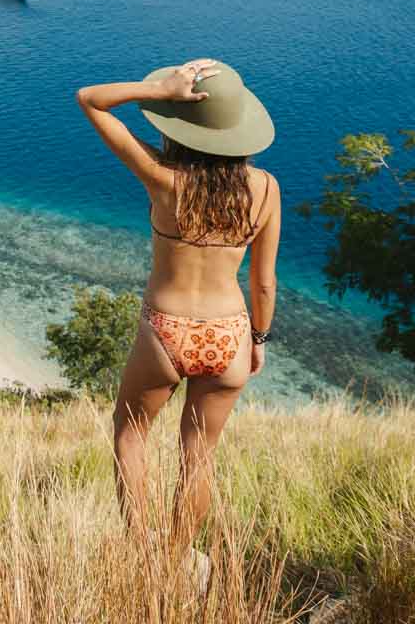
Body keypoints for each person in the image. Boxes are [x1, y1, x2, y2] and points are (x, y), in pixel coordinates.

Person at [75, 58, 279, 580]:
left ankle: (140, 549)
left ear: (181, 131)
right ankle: (175, 561)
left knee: (130, 434)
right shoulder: (266, 189)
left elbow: (90, 99)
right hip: (228, 333)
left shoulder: (165, 180)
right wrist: (258, 339)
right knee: (199, 456)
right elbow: (263, 282)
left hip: (166, 330)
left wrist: (156, 88)